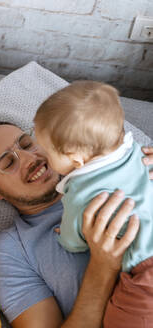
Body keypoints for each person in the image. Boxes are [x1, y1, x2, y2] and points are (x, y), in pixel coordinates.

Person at [0, 120, 153, 328]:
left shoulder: (108, 165)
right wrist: (103, 266)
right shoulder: (12, 251)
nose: (30, 158)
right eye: (8, 162)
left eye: (27, 144)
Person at [33, 81, 153, 327]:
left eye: (45, 151)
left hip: (144, 272)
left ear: (76, 159)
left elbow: (73, 240)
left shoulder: (80, 192)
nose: (39, 156)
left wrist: (66, 238)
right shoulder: (140, 152)